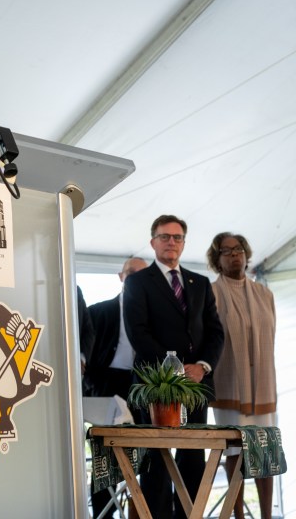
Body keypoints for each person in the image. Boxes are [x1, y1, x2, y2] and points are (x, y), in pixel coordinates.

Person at [123, 215, 224, 519]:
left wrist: (202, 366)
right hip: (157, 385)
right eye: (165, 237)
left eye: (177, 237)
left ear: (183, 243)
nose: (171, 242)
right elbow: (138, 332)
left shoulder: (200, 283)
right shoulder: (138, 282)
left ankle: (189, 515)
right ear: (153, 242)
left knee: (193, 460)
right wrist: (176, 369)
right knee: (156, 460)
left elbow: (215, 332)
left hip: (196, 384)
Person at [206, 232, 277, 519]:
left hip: (262, 383)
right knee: (235, 451)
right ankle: (237, 516)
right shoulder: (211, 292)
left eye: (239, 250)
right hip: (229, 383)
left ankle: (267, 516)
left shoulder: (265, 293)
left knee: (265, 450)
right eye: (227, 251)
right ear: (217, 259)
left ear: (246, 255)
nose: (235, 255)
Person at [85, 256, 146, 519]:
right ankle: (103, 515)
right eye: (130, 272)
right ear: (120, 277)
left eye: (142, 274)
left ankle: (143, 512)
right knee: (106, 459)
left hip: (143, 388)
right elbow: (83, 358)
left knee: (148, 456)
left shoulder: (156, 317)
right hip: (107, 388)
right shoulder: (98, 312)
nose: (135, 278)